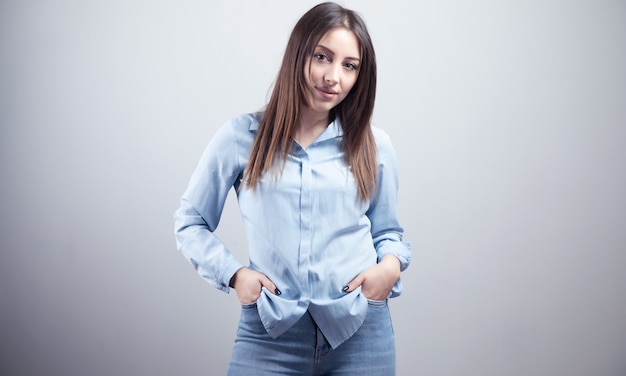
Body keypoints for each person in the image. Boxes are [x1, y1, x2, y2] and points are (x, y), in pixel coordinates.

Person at [174, 2, 411, 375]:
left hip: (360, 333)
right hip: (270, 334)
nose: (333, 76)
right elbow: (190, 222)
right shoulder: (241, 137)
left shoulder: (374, 145)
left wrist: (391, 268)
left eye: (349, 65)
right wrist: (235, 275)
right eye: (322, 57)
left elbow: (388, 233)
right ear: (298, 54)